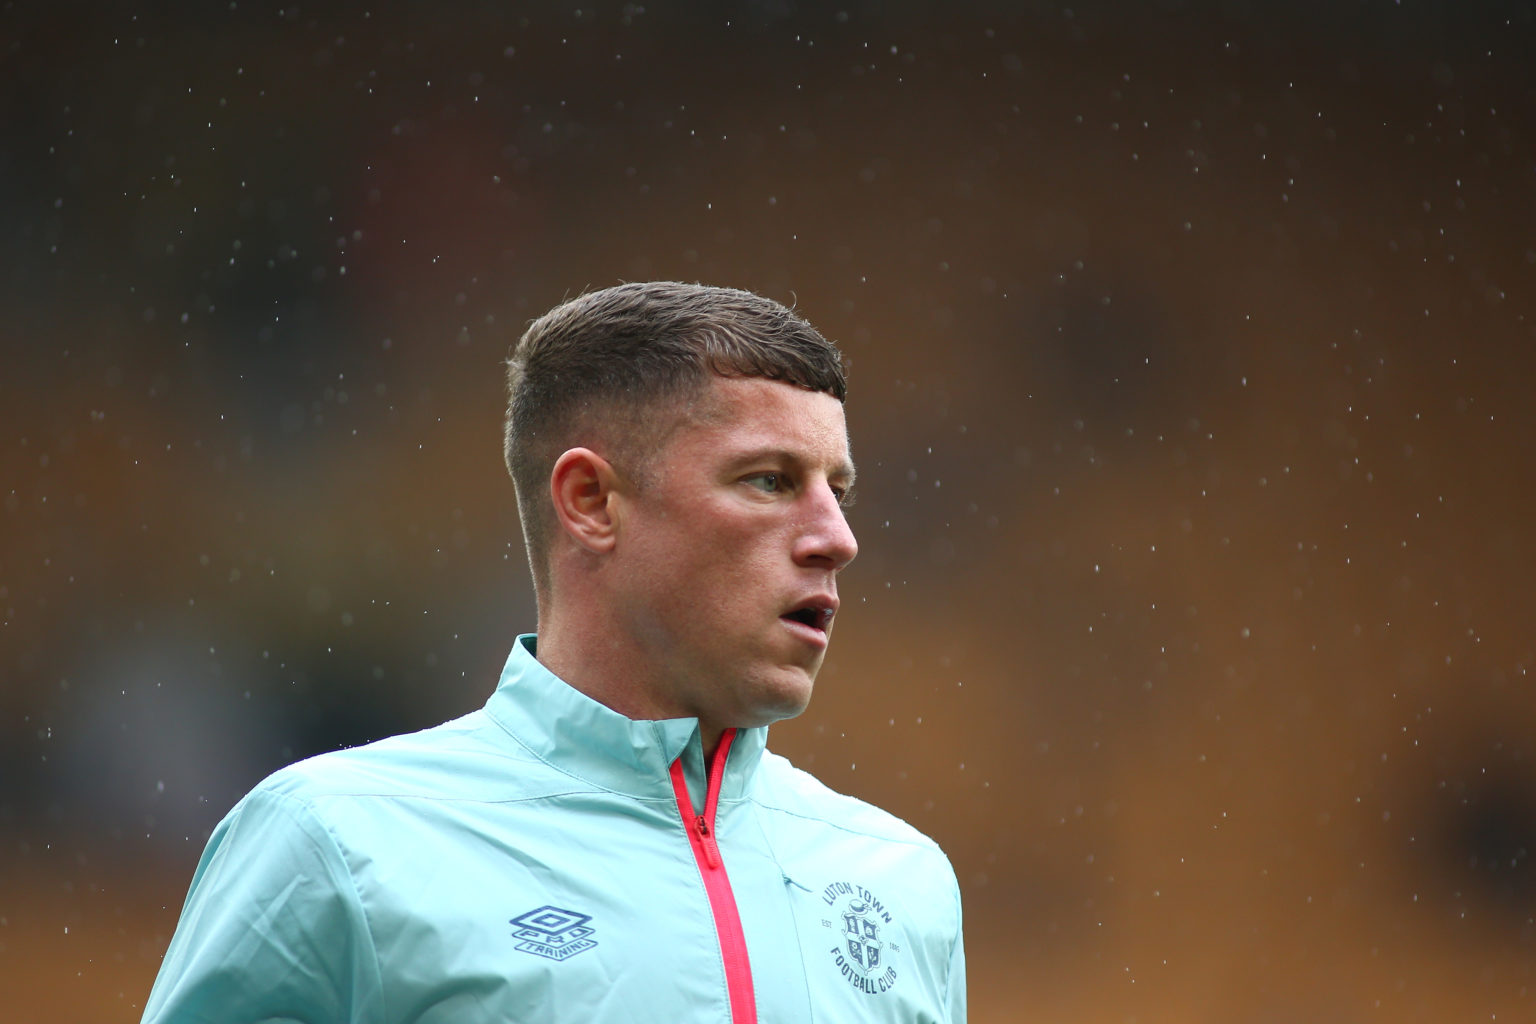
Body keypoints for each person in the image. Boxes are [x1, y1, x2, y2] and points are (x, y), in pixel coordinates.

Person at [142, 281, 966, 1023]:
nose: (838, 538)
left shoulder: (900, 882)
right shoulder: (336, 842)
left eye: (838, 490)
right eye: (770, 480)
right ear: (591, 501)